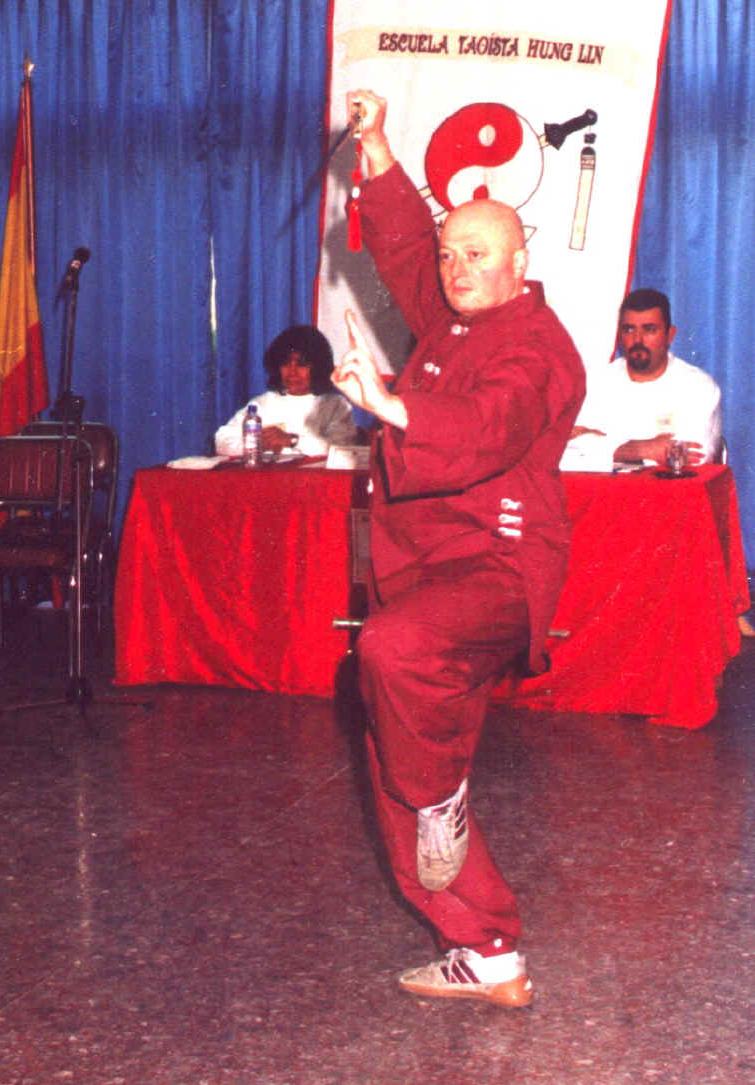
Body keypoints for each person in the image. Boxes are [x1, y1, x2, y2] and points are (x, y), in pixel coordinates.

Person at [330, 90, 585, 1006]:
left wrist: (394, 406)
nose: (454, 266)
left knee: (394, 652)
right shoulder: (450, 318)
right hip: (425, 568)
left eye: (476, 253)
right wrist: (378, 148)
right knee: (396, 748)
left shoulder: (541, 348)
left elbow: (491, 423)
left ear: (521, 262)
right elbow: (403, 244)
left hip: (498, 569)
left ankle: (442, 801)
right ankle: (485, 948)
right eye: (451, 253)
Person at [568, 288, 722, 466]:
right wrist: (639, 449)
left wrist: (598, 446)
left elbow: (691, 459)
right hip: (598, 484)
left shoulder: (697, 386)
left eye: (649, 330)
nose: (638, 340)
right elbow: (565, 452)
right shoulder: (595, 382)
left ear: (669, 335)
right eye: (629, 329)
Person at [214, 324, 360, 457]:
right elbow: (222, 441)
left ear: (318, 367)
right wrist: (258, 444)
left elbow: (341, 448)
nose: (292, 372)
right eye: (285, 363)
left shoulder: (335, 405)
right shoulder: (262, 404)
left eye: (301, 364)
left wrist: (292, 440)